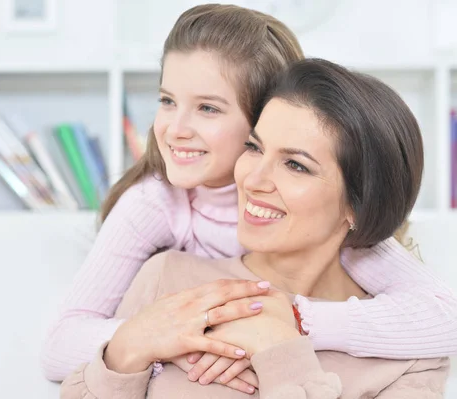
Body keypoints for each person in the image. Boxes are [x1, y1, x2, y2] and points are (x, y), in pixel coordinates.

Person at [42, 4, 457, 392]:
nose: (175, 128)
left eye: (208, 108)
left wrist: (292, 322)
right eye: (167, 101)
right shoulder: (158, 215)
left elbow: (446, 317)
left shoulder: (354, 241)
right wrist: (155, 335)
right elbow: (61, 347)